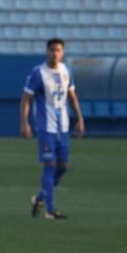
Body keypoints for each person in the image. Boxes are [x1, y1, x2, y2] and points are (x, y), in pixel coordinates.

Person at [20, 37, 85, 220]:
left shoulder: (66, 72)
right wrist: (25, 123)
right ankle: (50, 210)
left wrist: (79, 118)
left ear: (62, 53)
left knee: (62, 167)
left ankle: (39, 198)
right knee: (49, 166)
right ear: (47, 51)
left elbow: (71, 97)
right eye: (52, 50)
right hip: (45, 127)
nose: (55, 53)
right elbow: (26, 99)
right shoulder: (38, 73)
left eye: (58, 50)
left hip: (62, 127)